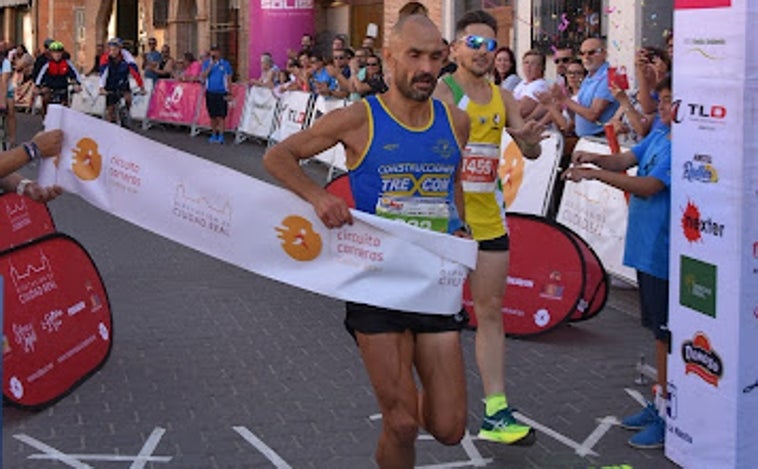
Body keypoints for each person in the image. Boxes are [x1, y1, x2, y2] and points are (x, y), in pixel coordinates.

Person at [264, 14, 471, 469]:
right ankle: (396, 404)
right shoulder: (358, 118)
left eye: (435, 57)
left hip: (434, 284)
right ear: (391, 58)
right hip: (376, 282)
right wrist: (318, 197)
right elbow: (277, 156)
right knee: (400, 424)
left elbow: (451, 182)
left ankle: (401, 395)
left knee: (450, 428)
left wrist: (460, 228)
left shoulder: (456, 123)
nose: (425, 67)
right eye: (414, 56)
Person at [434, 9, 545, 446]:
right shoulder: (443, 92)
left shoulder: (505, 97)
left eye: (491, 45)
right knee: (434, 314)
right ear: (456, 48)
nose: (483, 52)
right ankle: (430, 400)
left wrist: (531, 139)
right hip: (446, 221)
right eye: (473, 44)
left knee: (491, 310)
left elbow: (530, 151)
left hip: (490, 219)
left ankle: (496, 411)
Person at [563, 76, 673, 450]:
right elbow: (625, 159)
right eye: (663, 100)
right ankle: (661, 400)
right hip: (645, 249)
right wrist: (593, 156)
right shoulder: (659, 136)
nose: (664, 107)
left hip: (664, 252)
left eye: (672, 101)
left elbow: (649, 186)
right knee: (657, 334)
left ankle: (668, 412)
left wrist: (595, 175)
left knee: (664, 336)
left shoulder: (684, 147)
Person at [556, 37, 618, 137]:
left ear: (604, 54)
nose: (586, 56)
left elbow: (593, 114)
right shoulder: (590, 76)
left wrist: (565, 99)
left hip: (601, 138)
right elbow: (579, 113)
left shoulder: (608, 76)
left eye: (591, 52)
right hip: (586, 138)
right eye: (583, 53)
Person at [99, 37, 145, 124]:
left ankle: (126, 113)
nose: (112, 52)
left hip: (123, 82)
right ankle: (110, 124)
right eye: (111, 49)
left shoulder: (126, 56)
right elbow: (103, 73)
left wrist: (141, 86)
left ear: (120, 49)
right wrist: (101, 87)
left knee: (128, 98)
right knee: (111, 110)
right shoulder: (105, 57)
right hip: (110, 83)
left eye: (115, 50)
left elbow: (135, 71)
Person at [34, 41, 83, 117]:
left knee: (65, 106)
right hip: (50, 88)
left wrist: (77, 84)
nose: (57, 54)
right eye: (55, 52)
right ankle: (46, 117)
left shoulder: (67, 63)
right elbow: (40, 77)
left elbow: (75, 74)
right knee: (45, 98)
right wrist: (37, 87)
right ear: (51, 53)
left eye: (59, 52)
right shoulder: (47, 65)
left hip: (62, 87)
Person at [200, 45, 233, 144]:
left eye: (216, 51)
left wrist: (229, 92)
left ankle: (221, 135)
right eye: (212, 51)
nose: (214, 53)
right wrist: (210, 65)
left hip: (221, 92)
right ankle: (214, 134)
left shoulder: (225, 64)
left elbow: (229, 78)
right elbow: (203, 76)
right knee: (212, 115)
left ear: (219, 52)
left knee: (221, 116)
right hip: (210, 92)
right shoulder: (207, 63)